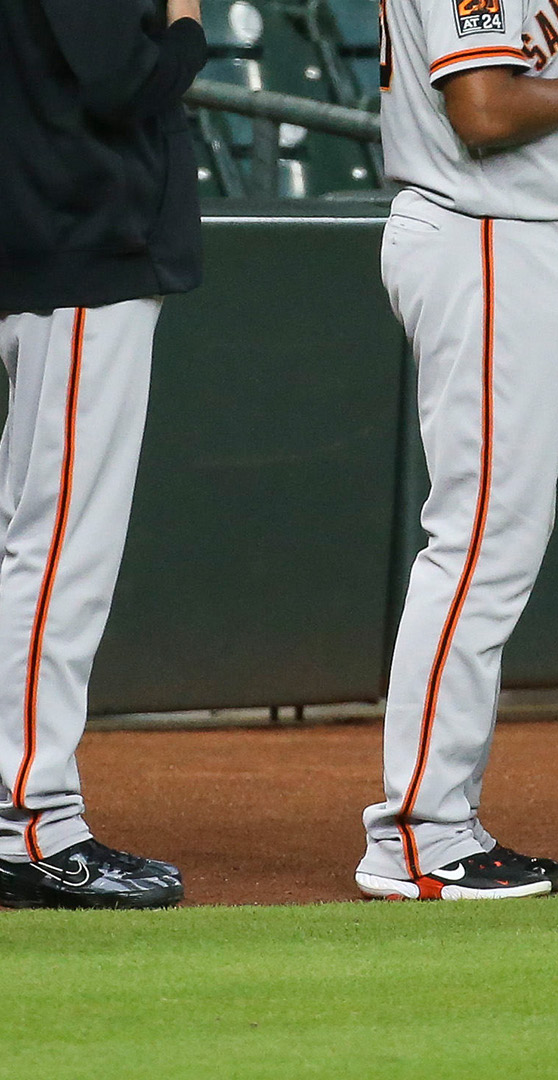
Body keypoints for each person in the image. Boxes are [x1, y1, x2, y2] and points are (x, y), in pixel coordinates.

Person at [354, 0, 558, 900]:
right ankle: (418, 834)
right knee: (479, 547)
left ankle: (445, 820)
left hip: (514, 238)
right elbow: (482, 112)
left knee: (492, 547)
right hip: (482, 234)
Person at [0, 0, 208, 909]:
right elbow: (125, 79)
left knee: (35, 546)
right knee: (57, 555)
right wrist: (189, 24)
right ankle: (29, 823)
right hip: (79, 250)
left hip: (47, 246)